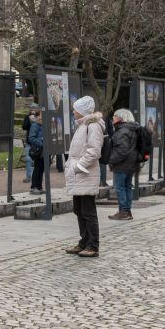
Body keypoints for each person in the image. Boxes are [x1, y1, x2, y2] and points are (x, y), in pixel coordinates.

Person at [63, 97, 106, 257]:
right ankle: (84, 241)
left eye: (75, 109)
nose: (73, 111)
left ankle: (93, 245)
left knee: (88, 211)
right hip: (79, 175)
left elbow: (94, 150)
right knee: (79, 210)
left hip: (85, 174)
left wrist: (79, 166)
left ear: (82, 111)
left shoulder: (93, 126)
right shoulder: (84, 125)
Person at [106, 108, 141, 220]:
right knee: (127, 187)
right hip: (131, 164)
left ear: (121, 118)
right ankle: (127, 211)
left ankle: (123, 211)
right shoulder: (132, 129)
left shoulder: (122, 131)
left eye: (115, 116)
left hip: (122, 165)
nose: (113, 118)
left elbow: (122, 150)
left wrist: (111, 161)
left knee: (119, 187)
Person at [25, 105, 45, 193]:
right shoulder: (35, 125)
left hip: (43, 150)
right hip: (38, 150)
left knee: (41, 168)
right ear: (38, 115)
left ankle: (39, 187)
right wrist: (42, 143)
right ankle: (33, 187)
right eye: (42, 114)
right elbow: (31, 137)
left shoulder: (43, 125)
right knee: (37, 168)